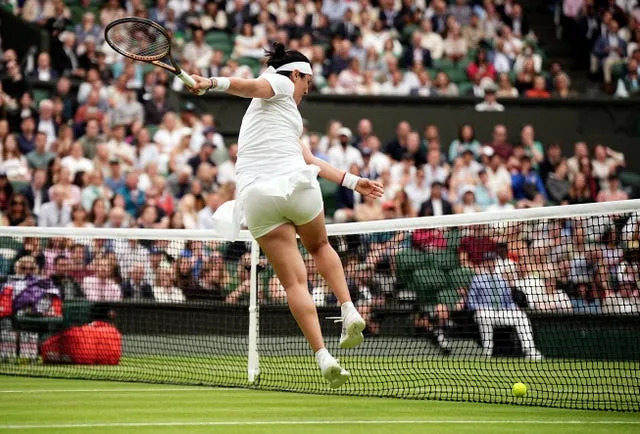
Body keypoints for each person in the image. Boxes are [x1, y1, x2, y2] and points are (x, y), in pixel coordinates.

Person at [188, 42, 383, 388]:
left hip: (259, 198)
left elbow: (312, 159)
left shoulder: (285, 121)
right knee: (320, 246)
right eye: (306, 82)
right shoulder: (278, 81)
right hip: (296, 188)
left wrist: (353, 182)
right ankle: (349, 308)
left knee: (294, 282)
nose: (307, 90)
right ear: (295, 74)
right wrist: (211, 82)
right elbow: (250, 86)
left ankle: (323, 355)